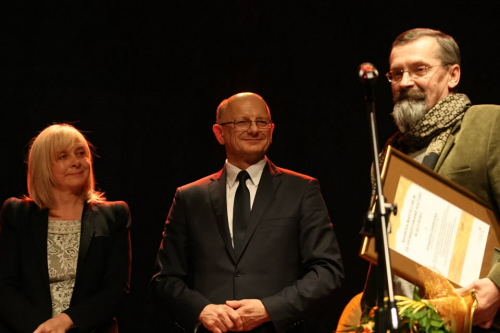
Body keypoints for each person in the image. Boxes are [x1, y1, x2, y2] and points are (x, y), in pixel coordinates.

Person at [338, 28, 500, 332]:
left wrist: (497, 285)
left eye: (419, 69)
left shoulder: (488, 124)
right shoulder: (387, 154)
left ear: (453, 75)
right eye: (396, 73)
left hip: (476, 319)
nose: (405, 82)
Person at [149, 92, 344, 333]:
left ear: (271, 130)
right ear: (219, 133)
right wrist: (201, 310)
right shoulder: (190, 197)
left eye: (262, 122)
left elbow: (328, 271)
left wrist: (270, 309)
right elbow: (165, 279)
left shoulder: (301, 190)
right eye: (242, 122)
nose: (254, 129)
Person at [0, 123, 132, 333]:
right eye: (63, 156)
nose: (76, 162)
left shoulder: (114, 214)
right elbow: (5, 287)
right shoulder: (17, 214)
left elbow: (116, 290)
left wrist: (66, 321)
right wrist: (41, 329)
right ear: (44, 165)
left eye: (81, 153)